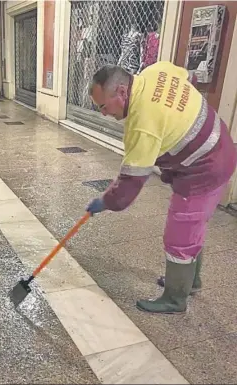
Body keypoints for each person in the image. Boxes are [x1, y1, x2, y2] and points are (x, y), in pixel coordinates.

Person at [87, 61, 237, 314]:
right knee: (193, 225)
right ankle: (191, 281)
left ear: (122, 92)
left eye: (103, 106)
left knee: (181, 231)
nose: (102, 113)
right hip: (222, 143)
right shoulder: (157, 71)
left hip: (204, 169)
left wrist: (106, 201)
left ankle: (175, 299)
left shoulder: (141, 124)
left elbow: (129, 185)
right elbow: (190, 78)